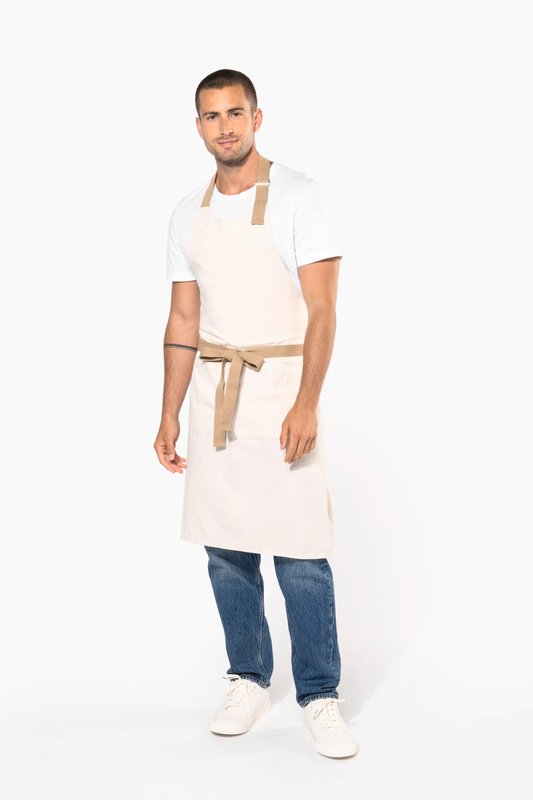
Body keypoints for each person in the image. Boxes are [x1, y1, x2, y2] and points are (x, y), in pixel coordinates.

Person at [154, 68, 359, 759]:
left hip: (281, 392)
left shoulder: (301, 197)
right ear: (198, 127)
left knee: (301, 552)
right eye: (212, 116)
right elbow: (183, 320)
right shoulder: (186, 213)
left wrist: (307, 401)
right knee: (225, 549)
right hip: (215, 393)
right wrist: (168, 413)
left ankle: (320, 693)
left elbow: (323, 310)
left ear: (257, 117)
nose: (225, 127)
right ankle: (246, 676)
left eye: (235, 113)